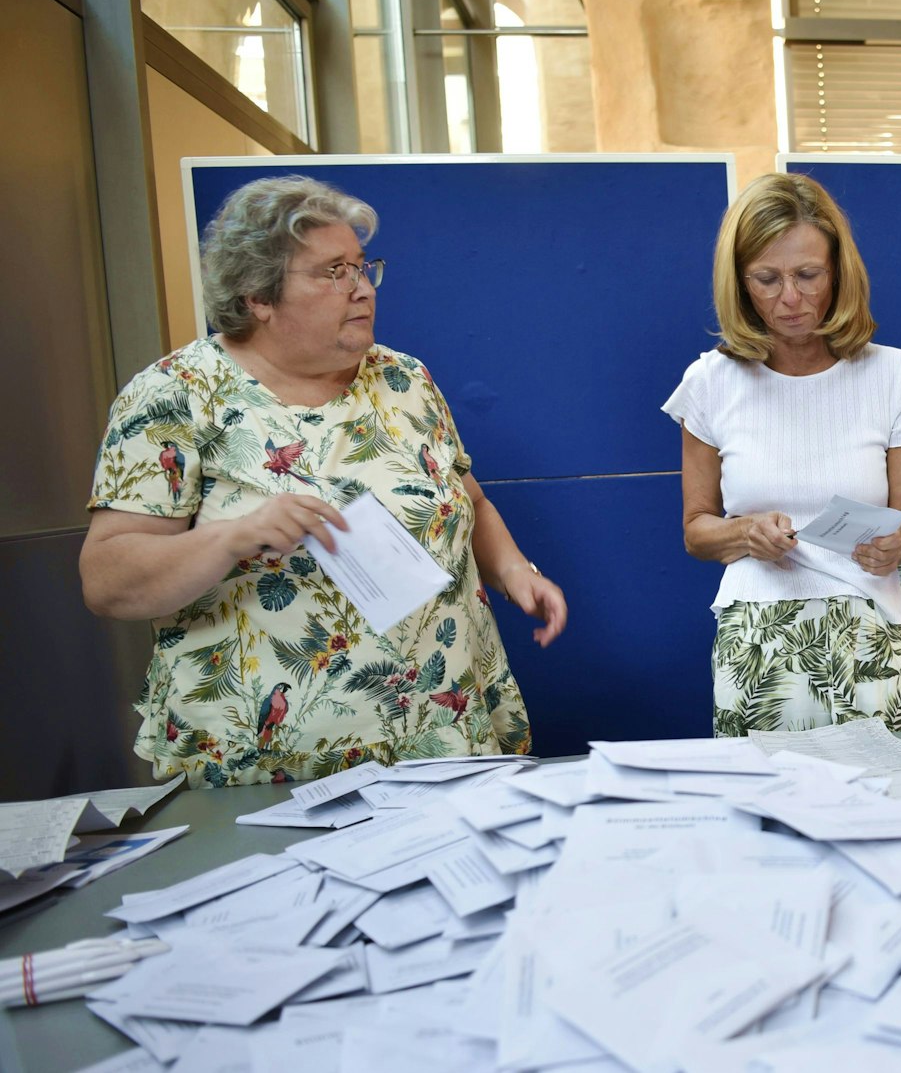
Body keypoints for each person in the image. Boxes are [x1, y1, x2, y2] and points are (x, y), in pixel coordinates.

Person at [80, 176, 565, 787]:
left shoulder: (402, 378)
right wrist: (233, 536)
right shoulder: (174, 395)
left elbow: (470, 502)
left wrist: (518, 571)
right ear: (259, 294)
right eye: (333, 272)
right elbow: (107, 581)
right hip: (274, 765)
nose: (362, 289)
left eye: (363, 268)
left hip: (442, 733)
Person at [666, 173, 901, 737]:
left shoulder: (892, 374)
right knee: (770, 813)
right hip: (755, 636)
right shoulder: (710, 381)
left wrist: (894, 546)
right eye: (766, 279)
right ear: (740, 284)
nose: (790, 299)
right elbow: (696, 531)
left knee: (888, 809)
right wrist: (745, 533)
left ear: (839, 273)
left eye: (807, 275)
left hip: (866, 625)